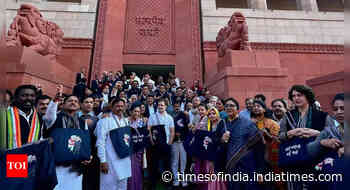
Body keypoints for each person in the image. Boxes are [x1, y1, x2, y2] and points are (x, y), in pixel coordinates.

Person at [279, 85, 336, 190]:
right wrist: (290, 133)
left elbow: (332, 135)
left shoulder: (322, 115)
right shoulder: (288, 116)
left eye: (299, 95)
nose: (296, 98)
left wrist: (317, 133)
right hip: (293, 160)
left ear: (308, 96)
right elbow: (280, 136)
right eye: (293, 96)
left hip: (316, 160)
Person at [215, 97, 266, 190]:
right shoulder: (222, 124)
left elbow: (259, 148)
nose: (229, 108)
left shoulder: (248, 123)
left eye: (232, 105)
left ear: (237, 109)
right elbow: (216, 144)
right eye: (226, 106)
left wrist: (260, 171)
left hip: (248, 166)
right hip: (230, 166)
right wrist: (222, 140)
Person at [44, 94, 91, 190]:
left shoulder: (82, 122)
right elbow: (48, 116)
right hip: (57, 165)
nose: (73, 102)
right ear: (63, 104)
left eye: (76, 101)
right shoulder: (55, 118)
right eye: (70, 101)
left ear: (79, 106)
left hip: (76, 167)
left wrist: (88, 155)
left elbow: (85, 140)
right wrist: (55, 101)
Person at [95, 98, 131, 190]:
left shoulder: (126, 121)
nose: (120, 108)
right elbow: (100, 141)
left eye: (122, 106)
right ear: (112, 107)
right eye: (117, 106)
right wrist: (103, 160)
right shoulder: (104, 121)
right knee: (108, 186)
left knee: (122, 186)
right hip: (110, 159)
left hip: (124, 159)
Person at [252, 100, 283, 190]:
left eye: (258, 106)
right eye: (254, 106)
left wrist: (266, 134)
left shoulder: (272, 123)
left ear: (264, 109)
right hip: (253, 155)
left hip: (268, 156)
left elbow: (277, 139)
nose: (256, 108)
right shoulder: (249, 123)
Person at [147, 99, 175, 189]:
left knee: (167, 165)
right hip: (155, 145)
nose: (160, 106)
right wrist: (152, 142)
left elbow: (172, 131)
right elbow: (149, 130)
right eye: (159, 105)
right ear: (157, 106)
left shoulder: (169, 117)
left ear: (165, 106)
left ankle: (168, 184)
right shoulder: (152, 117)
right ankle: (153, 184)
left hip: (166, 144)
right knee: (153, 166)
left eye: (162, 105)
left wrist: (169, 143)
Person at [4, 85, 42, 149]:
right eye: (24, 95)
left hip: (29, 157)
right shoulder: (5, 114)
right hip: (6, 157)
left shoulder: (39, 117)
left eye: (32, 96)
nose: (29, 98)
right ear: (16, 97)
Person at [80, 96, 100, 190]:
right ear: (81, 104)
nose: (89, 104)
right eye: (86, 102)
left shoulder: (97, 119)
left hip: (92, 154)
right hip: (77, 153)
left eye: (91, 102)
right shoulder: (74, 117)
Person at [128, 104, 146, 190]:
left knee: (138, 170)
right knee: (130, 171)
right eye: (135, 111)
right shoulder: (126, 121)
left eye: (138, 111)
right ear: (131, 111)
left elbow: (143, 136)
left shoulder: (141, 122)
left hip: (139, 150)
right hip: (128, 150)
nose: (137, 113)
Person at [171, 101, 189, 187]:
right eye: (175, 106)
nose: (177, 108)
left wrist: (182, 135)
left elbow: (187, 128)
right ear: (173, 107)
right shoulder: (171, 116)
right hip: (174, 141)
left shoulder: (184, 115)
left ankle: (183, 179)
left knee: (183, 161)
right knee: (175, 161)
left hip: (183, 141)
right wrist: (174, 135)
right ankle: (176, 179)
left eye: (178, 106)